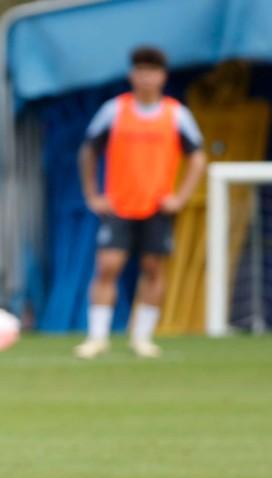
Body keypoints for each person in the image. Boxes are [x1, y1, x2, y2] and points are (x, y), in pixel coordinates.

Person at [76, 45, 206, 359]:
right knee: (109, 266)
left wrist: (181, 197)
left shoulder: (176, 114)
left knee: (154, 268)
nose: (146, 78)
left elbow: (198, 157)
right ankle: (97, 337)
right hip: (120, 204)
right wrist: (93, 194)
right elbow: (88, 151)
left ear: (162, 77)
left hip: (157, 206)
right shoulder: (114, 110)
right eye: (141, 71)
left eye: (153, 71)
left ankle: (143, 338)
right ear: (133, 75)